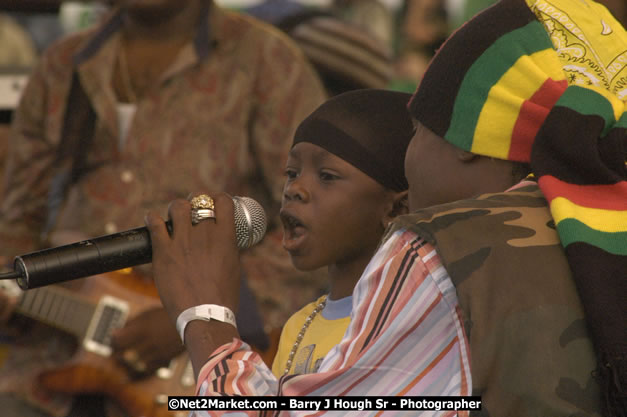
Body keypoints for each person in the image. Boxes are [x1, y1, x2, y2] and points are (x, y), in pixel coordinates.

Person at [151, 0, 626, 416]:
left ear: (466, 143)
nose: (408, 153)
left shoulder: (444, 254)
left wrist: (204, 314)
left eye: (419, 127)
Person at [0, 0, 327, 416]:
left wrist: (198, 316)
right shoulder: (63, 64)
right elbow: (18, 220)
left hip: (203, 368)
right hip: (50, 364)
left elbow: (308, 222)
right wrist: (15, 293)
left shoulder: (269, 64)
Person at [270, 89, 414, 377]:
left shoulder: (406, 325)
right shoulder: (299, 326)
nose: (294, 189)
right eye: (292, 173)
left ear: (395, 209)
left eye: (327, 176)